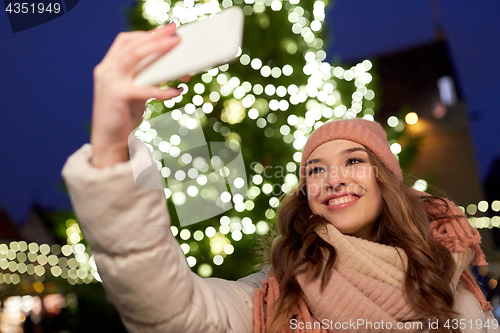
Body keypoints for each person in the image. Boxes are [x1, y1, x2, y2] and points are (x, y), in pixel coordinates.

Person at [61, 24, 499, 333]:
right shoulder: (277, 294)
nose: (333, 179)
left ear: (387, 178)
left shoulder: (448, 277)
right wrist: (113, 148)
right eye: (315, 169)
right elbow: (173, 310)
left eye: (353, 161)